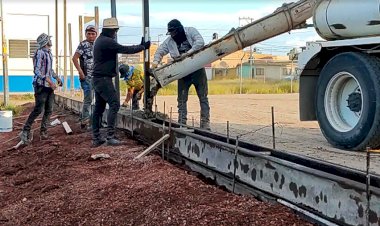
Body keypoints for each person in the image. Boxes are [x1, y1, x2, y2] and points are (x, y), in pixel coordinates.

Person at [92, 17, 150, 147]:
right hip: (103, 79)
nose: (115, 33)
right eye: (115, 30)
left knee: (99, 108)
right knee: (114, 104)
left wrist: (140, 46)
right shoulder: (107, 41)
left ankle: (96, 137)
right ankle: (110, 136)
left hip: (98, 79)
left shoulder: (101, 40)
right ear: (110, 30)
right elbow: (125, 49)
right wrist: (142, 47)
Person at [152, 19, 210, 130]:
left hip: (197, 69)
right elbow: (160, 51)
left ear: (179, 30)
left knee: (203, 97)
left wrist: (187, 54)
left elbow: (200, 42)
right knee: (181, 100)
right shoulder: (169, 41)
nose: (173, 35)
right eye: (171, 33)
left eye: (174, 33)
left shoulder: (191, 31)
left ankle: (205, 124)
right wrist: (155, 63)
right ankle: (182, 123)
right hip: (183, 72)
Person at [19, 33, 63, 144]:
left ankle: (43, 132)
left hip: (49, 86)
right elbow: (37, 71)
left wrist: (57, 78)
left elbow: (49, 70)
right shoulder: (40, 53)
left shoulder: (49, 53)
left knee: (49, 109)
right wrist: (49, 81)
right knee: (38, 109)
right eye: (49, 40)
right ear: (46, 42)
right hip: (41, 86)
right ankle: (25, 130)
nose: (50, 41)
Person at [72, 25, 97, 129]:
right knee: (88, 99)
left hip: (97, 77)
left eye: (93, 34)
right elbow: (74, 58)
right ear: (86, 34)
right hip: (86, 77)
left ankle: (92, 121)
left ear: (96, 34)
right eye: (89, 34)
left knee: (96, 99)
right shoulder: (83, 45)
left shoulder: (97, 44)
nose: (91, 36)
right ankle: (85, 122)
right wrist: (81, 72)